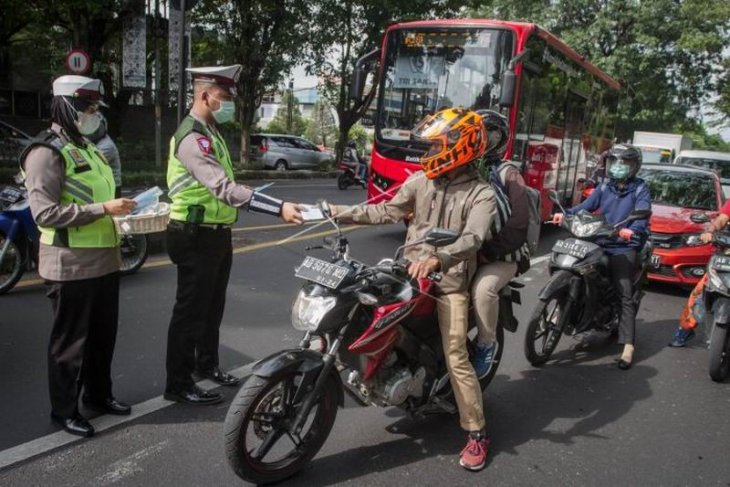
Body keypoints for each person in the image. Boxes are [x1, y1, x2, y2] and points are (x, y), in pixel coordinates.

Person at [325, 108, 497, 471]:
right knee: (357, 306)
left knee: (456, 356)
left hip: (447, 285)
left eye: (437, 145)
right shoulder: (421, 181)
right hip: (406, 274)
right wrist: (334, 211)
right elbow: (385, 211)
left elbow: (473, 238)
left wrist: (439, 259)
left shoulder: (481, 193)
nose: (429, 152)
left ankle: (477, 433)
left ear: (460, 146)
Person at [164, 65, 304, 405]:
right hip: (193, 234)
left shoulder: (211, 133)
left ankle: (206, 365)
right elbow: (223, 188)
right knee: (190, 311)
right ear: (205, 95)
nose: (228, 105)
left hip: (215, 234)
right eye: (224, 98)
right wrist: (278, 207)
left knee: (212, 307)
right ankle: (178, 383)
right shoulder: (191, 137)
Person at [21, 75, 137, 437]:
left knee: (103, 337)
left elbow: (101, 195)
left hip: (103, 259)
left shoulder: (87, 147)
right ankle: (64, 410)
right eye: (87, 107)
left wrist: (125, 210)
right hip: (69, 263)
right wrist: (104, 208)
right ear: (67, 105)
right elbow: (44, 214)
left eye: (94, 108)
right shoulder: (46, 152)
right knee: (70, 344)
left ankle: (99, 396)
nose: (92, 113)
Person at [552, 144, 651, 369]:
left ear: (634, 166)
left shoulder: (640, 189)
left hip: (623, 246)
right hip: (600, 239)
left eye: (623, 163)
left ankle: (628, 346)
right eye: (614, 162)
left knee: (624, 292)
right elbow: (586, 206)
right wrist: (564, 214)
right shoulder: (605, 186)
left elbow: (643, 215)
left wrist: (632, 229)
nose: (617, 167)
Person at [471, 110, 530, 377]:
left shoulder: (508, 173)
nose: (480, 140)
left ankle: (486, 343)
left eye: (487, 134)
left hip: (502, 255)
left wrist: (486, 253)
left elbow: (518, 225)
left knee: (483, 291)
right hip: (465, 251)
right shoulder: (463, 166)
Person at [669, 203, 730, 347]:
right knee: (701, 293)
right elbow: (721, 219)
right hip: (726, 258)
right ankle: (684, 331)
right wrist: (711, 230)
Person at [87, 113, 122, 198]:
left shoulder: (106, 146)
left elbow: (89, 164)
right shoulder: (95, 143)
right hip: (104, 186)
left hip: (112, 188)